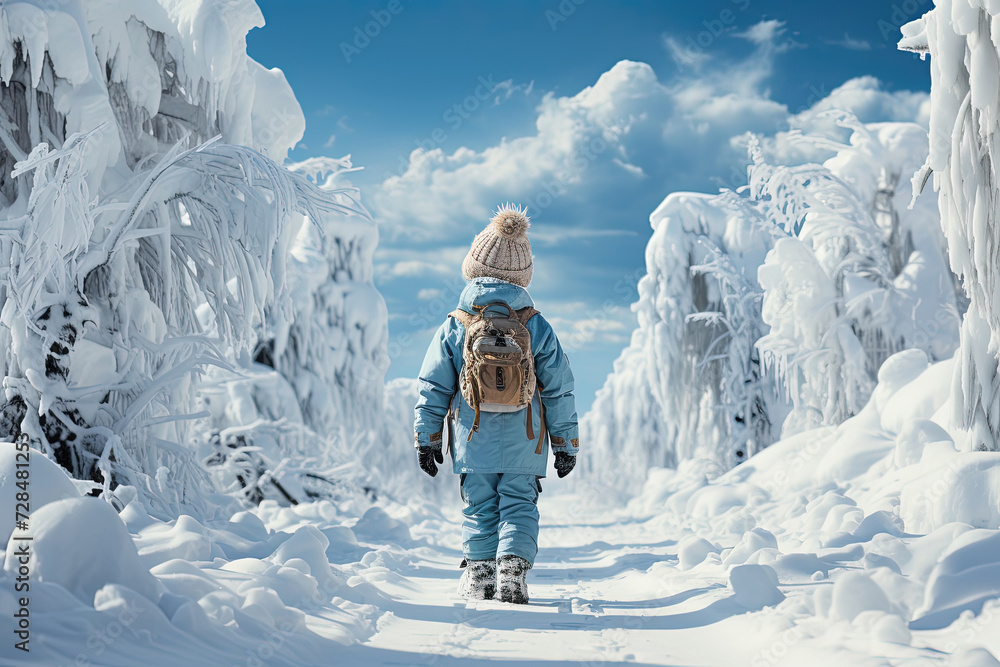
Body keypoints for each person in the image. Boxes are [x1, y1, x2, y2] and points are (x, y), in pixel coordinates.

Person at [413, 203, 579, 604]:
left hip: (474, 437)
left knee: (479, 507)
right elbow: (559, 387)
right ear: (523, 276)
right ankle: (513, 574)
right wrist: (565, 443)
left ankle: (479, 577)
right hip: (527, 438)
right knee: (520, 504)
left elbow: (434, 384)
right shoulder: (534, 324)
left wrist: (428, 436)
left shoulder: (458, 322)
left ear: (472, 266)